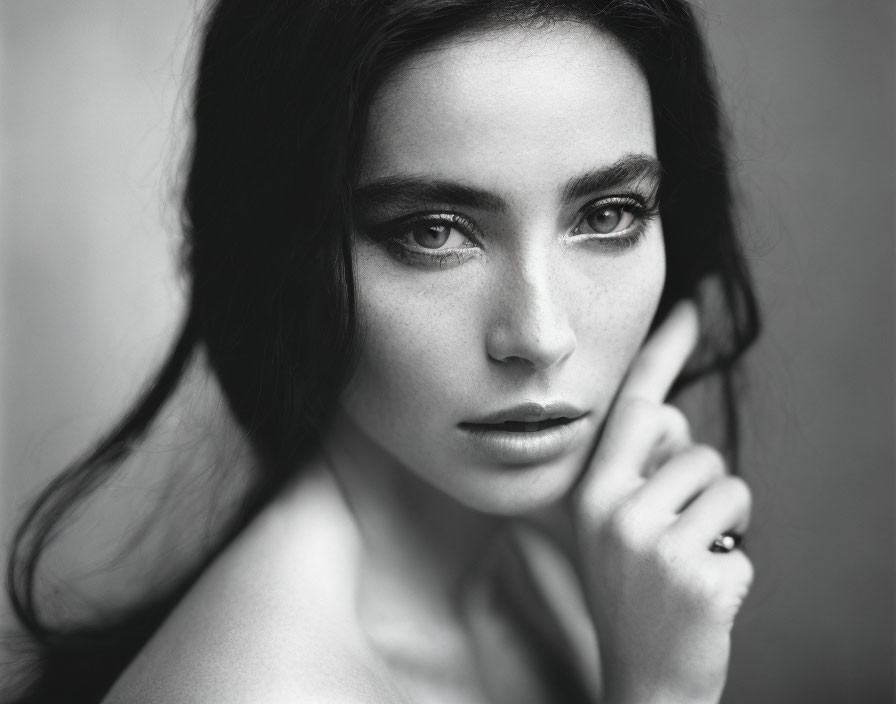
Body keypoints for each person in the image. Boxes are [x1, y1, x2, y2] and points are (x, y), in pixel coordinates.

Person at [4, 1, 761, 702]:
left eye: (608, 213)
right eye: (433, 231)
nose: (540, 336)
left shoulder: (545, 570)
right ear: (284, 251)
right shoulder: (250, 687)